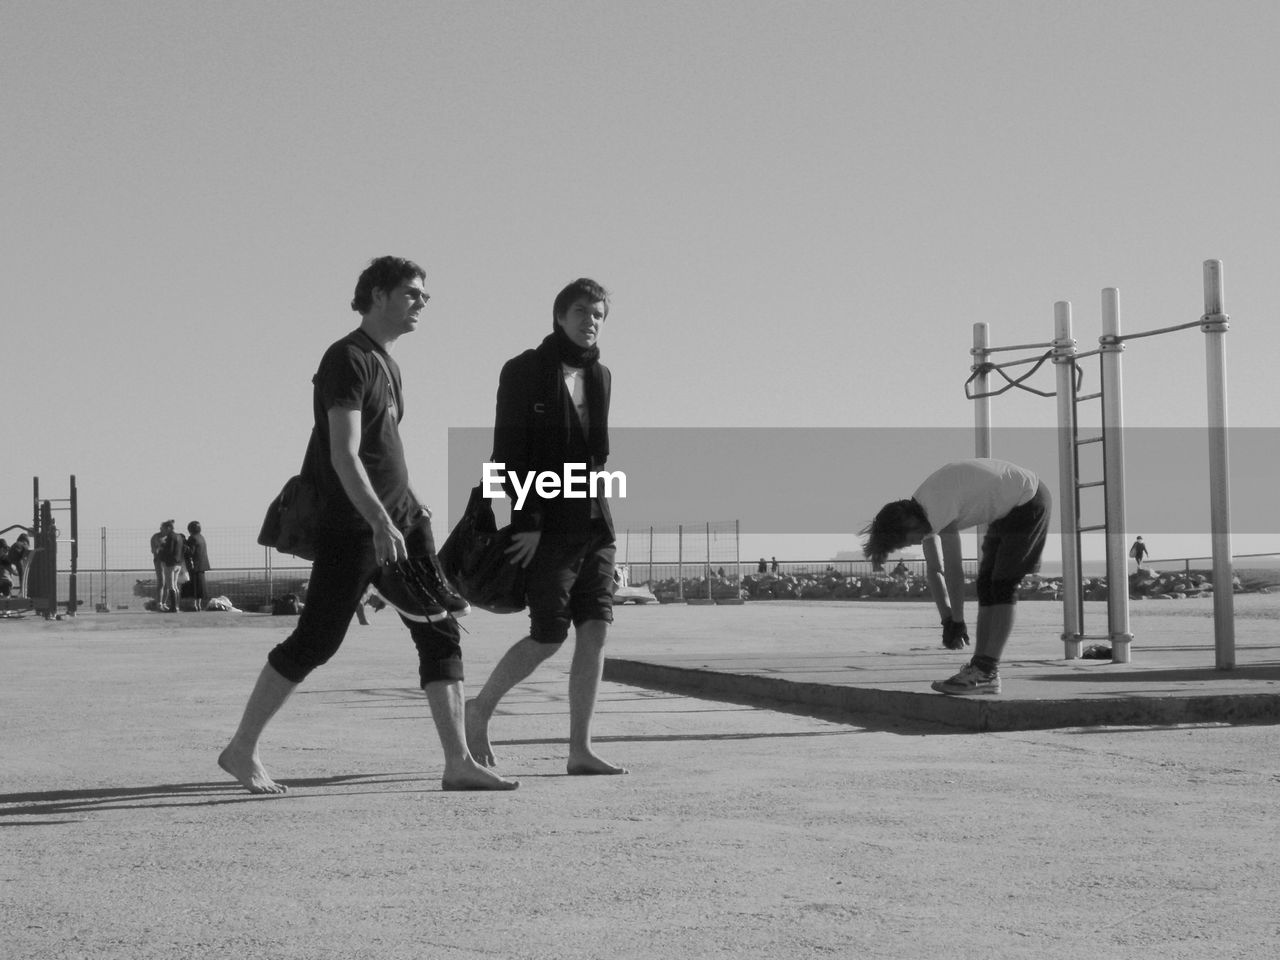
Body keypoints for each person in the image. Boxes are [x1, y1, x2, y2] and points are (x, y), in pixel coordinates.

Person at [218, 255, 517, 795]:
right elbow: (345, 453)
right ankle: (241, 749)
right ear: (377, 294)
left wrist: (413, 505)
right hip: (357, 528)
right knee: (316, 641)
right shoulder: (347, 359)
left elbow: (385, 452)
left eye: (424, 295)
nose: (422, 303)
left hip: (399, 525)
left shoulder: (387, 364)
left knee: (440, 631)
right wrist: (379, 520)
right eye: (411, 292)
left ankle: (458, 761)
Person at [466, 278, 626, 776]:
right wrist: (528, 519)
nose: (590, 320)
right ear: (559, 315)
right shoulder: (524, 371)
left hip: (593, 522)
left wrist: (604, 521)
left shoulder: (600, 376)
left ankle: (580, 748)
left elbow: (597, 454)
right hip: (545, 525)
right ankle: (479, 708)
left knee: (596, 628)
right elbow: (508, 453)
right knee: (549, 634)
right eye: (581, 311)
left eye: (598, 313)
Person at [862, 458, 1051, 696]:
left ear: (908, 524)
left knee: (1003, 585)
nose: (912, 544)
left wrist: (959, 619)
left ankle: (987, 671)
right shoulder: (921, 510)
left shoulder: (937, 507)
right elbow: (934, 570)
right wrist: (947, 620)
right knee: (986, 585)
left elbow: (954, 569)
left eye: (906, 540)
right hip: (1009, 507)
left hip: (1029, 499)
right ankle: (980, 667)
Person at [150, 520, 185, 612]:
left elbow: (168, 550)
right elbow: (154, 551)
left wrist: (162, 546)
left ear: (167, 528)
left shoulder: (170, 537)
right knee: (164, 582)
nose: (161, 530)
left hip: (169, 562)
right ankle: (164, 604)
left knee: (170, 585)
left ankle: (170, 605)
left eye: (163, 528)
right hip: (169, 562)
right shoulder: (157, 537)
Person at [183, 521, 211, 610]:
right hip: (202, 565)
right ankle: (198, 604)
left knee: (194, 586)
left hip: (194, 565)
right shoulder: (201, 537)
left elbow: (191, 551)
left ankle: (194, 605)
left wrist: (184, 546)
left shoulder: (192, 538)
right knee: (200, 586)